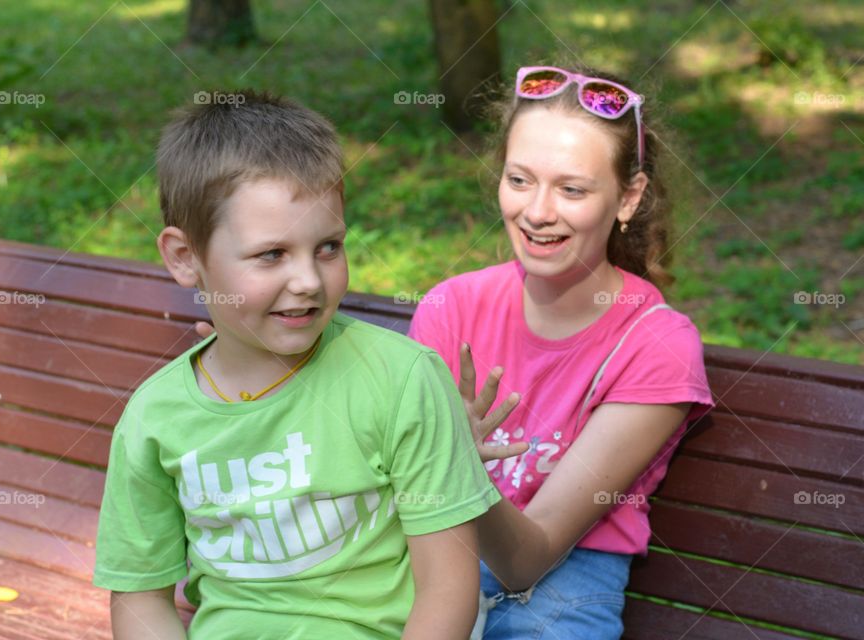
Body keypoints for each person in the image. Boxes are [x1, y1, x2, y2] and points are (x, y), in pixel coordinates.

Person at [93, 90, 500, 640]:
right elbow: (141, 600)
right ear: (185, 258)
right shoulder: (155, 417)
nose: (309, 280)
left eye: (328, 247)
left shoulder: (402, 380)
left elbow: (449, 590)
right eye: (271, 255)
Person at [407, 65, 715, 639]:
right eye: (519, 179)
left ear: (629, 197)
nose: (538, 212)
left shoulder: (656, 347)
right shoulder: (452, 308)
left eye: (571, 189)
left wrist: (458, 470)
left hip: (559, 588)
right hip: (431, 560)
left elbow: (528, 560)